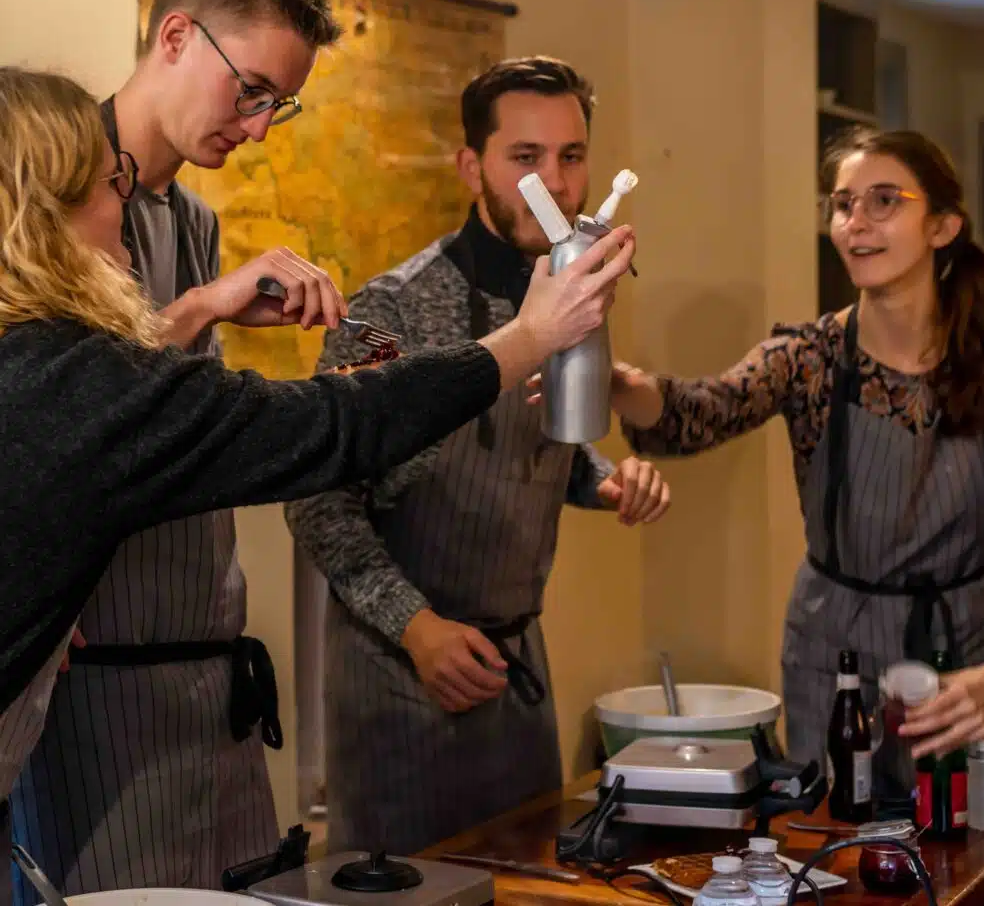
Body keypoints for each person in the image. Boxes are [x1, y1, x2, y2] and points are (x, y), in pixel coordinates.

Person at [0, 66, 633, 897]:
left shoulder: (41, 370)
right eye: (109, 182)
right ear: (43, 210)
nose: (128, 205)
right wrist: (529, 339)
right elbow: (330, 434)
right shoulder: (68, 379)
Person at [9, 0, 477, 900]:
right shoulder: (42, 197)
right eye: (251, 90)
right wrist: (199, 311)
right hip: (92, 699)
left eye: (280, 104)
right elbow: (62, 417)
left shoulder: (195, 219)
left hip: (206, 673)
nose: (260, 128)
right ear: (177, 37)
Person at [284, 56, 671, 854]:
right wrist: (418, 628)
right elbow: (316, 498)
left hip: (515, 671)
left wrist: (605, 482)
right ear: (471, 167)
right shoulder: (390, 311)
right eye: (526, 157)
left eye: (571, 156)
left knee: (529, 885)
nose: (555, 183)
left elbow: (541, 445)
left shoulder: (576, 292)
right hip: (399, 677)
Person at [603, 125, 984, 799]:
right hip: (832, 656)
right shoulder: (809, 358)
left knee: (965, 839)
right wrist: (617, 384)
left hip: (967, 660)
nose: (856, 223)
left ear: (942, 225)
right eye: (843, 204)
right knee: (833, 839)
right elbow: (699, 412)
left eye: (884, 201)